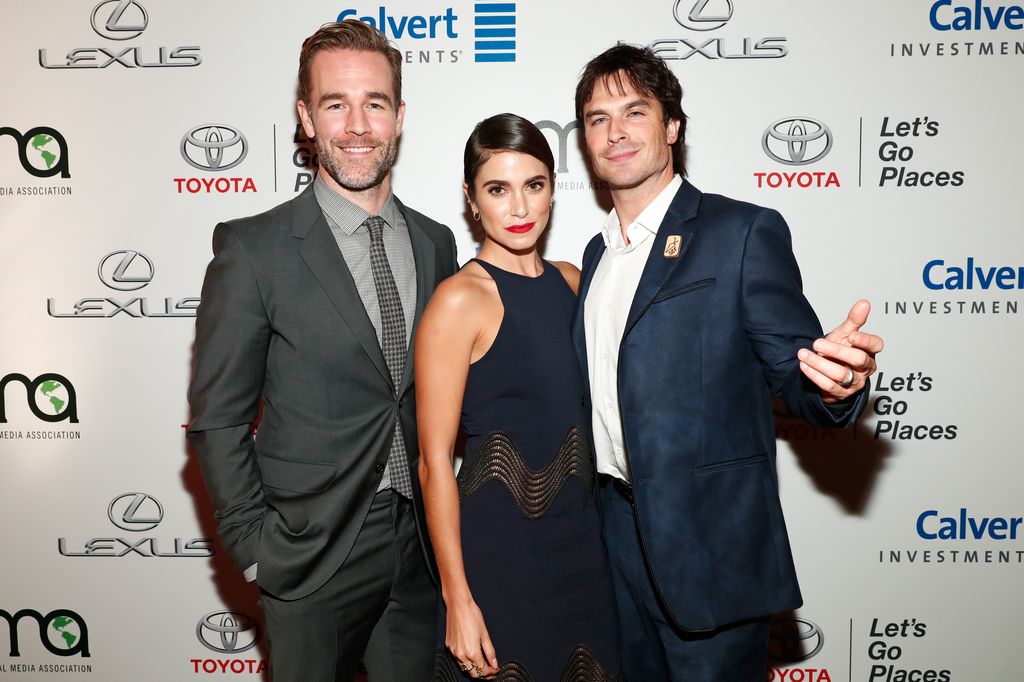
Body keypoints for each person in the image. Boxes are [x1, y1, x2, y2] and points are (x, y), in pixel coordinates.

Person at [570, 45, 884, 681]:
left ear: (673, 127)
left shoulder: (740, 233)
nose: (616, 132)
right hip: (613, 538)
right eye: (599, 118)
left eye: (635, 111)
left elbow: (795, 373)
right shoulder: (595, 255)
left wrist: (835, 382)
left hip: (709, 547)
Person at [187, 20, 458, 682]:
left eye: (376, 103)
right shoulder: (254, 249)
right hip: (310, 556)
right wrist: (257, 549)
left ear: (399, 115)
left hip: (422, 550)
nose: (358, 125)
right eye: (336, 104)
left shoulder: (436, 243)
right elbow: (217, 420)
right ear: (307, 118)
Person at [416, 113, 622, 681]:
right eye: (497, 190)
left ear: (554, 188)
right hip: (497, 562)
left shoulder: (572, 282)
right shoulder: (459, 300)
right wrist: (458, 598)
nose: (520, 208)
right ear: (471, 199)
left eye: (534, 186)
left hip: (582, 551)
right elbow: (434, 463)